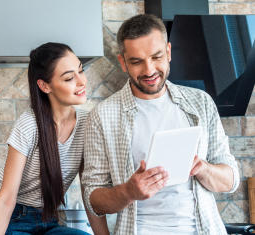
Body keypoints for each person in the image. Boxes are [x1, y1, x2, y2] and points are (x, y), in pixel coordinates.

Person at [82, 14, 240, 235]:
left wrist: (202, 169)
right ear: (123, 62)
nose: (148, 70)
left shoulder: (200, 102)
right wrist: (128, 191)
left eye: (156, 57)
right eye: (136, 61)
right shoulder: (102, 115)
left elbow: (230, 181)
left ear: (168, 52)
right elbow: (93, 200)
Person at [0, 42, 92, 235]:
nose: (81, 81)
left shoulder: (87, 124)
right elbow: (7, 198)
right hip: (13, 219)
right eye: (69, 78)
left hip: (49, 220)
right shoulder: (29, 124)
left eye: (80, 71)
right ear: (44, 86)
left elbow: (88, 190)